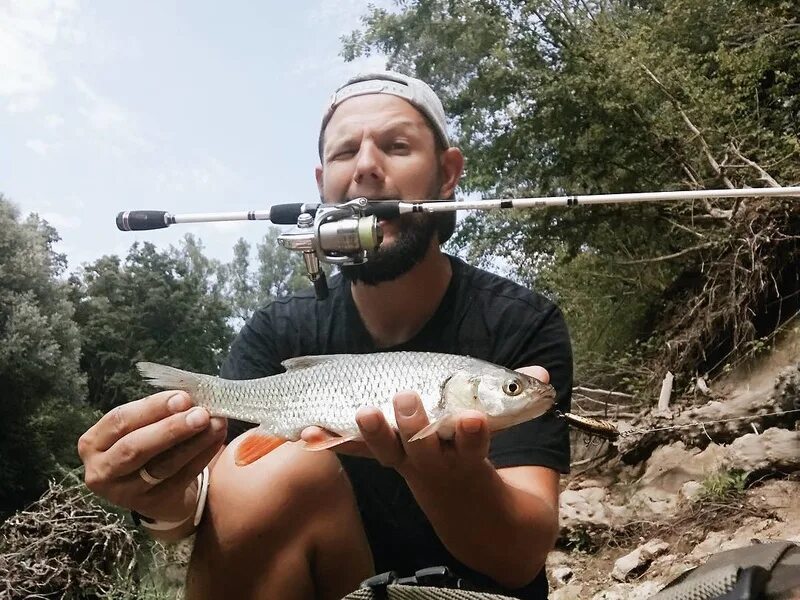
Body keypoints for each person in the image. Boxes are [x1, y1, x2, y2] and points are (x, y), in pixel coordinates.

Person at [78, 71, 573, 600]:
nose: (365, 167)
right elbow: (214, 500)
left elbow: (520, 559)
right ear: (322, 185)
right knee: (265, 474)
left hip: (478, 592)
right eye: (344, 154)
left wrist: (445, 479)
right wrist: (155, 495)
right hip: (334, 582)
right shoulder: (277, 329)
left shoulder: (523, 321)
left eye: (397, 145)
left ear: (447, 174)